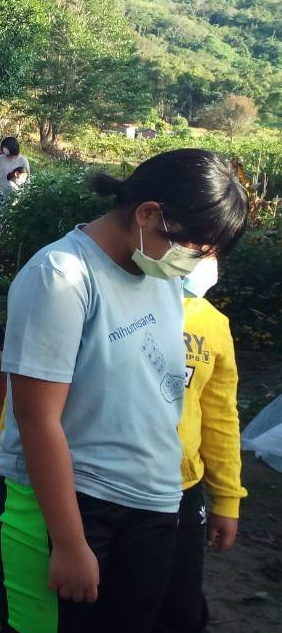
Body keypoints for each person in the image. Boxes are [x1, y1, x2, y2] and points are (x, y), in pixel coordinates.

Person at [0, 149, 247, 633]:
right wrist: (68, 543)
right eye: (195, 248)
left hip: (153, 504)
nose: (195, 264)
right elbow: (38, 419)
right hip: (70, 507)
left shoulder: (160, 276)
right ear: (148, 214)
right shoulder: (62, 277)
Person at [155, 257, 245, 633]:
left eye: (213, 249)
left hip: (182, 486)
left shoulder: (214, 324)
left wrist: (227, 499)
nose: (204, 258)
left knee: (181, 604)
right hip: (112, 486)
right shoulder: (121, 302)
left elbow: (220, 416)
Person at [0, 137, 30, 217]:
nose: (4, 150)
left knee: (11, 218)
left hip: (14, 194)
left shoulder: (22, 160)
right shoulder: (0, 158)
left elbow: (27, 179)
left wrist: (24, 195)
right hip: (0, 192)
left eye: (6, 148)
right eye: (3, 148)